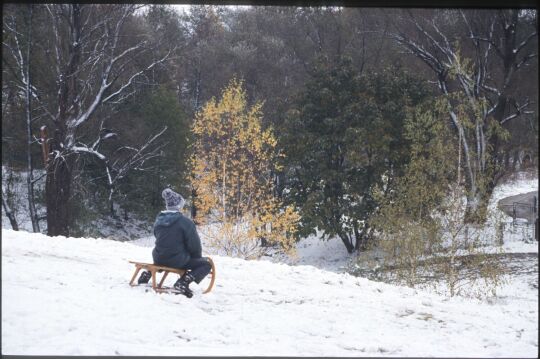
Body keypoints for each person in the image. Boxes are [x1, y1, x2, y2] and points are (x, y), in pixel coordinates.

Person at [138, 188, 212, 298]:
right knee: (206, 264)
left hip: (158, 257)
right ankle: (183, 282)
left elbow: (159, 237)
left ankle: (148, 273)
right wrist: (197, 258)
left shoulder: (159, 220)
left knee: (167, 253)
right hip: (177, 260)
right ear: (179, 206)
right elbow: (194, 245)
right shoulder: (185, 222)